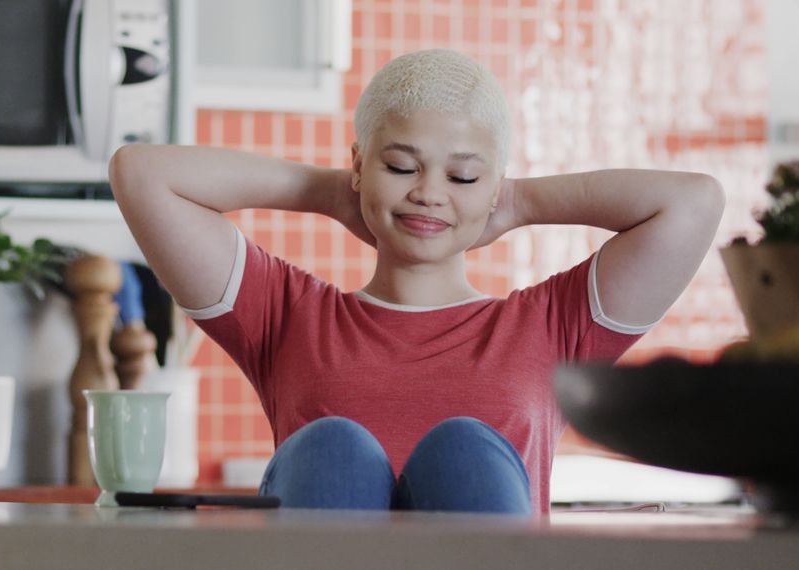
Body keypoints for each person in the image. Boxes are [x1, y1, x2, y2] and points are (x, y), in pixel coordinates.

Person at [109, 49, 725, 518]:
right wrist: (332, 193)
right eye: (400, 167)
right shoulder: (287, 314)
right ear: (360, 165)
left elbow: (693, 203)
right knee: (335, 449)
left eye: (462, 177)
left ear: (493, 185)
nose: (429, 192)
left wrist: (514, 202)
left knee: (463, 449)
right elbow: (141, 174)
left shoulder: (549, 324)